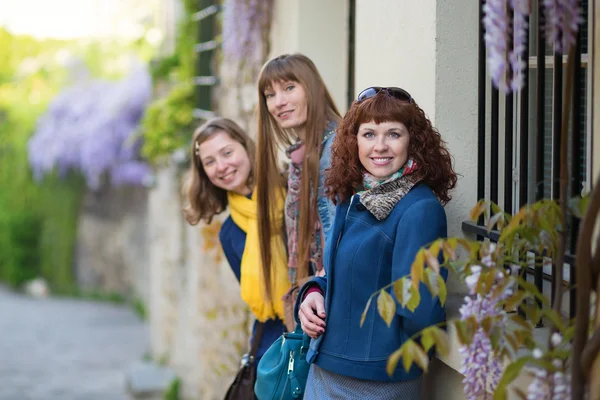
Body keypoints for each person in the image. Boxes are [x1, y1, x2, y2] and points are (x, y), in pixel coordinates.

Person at [297, 87, 458, 399]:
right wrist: (314, 292)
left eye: (393, 134)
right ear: (354, 140)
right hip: (324, 368)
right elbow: (339, 274)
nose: (380, 146)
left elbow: (420, 312)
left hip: (376, 381)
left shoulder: (420, 209)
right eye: (369, 134)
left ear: (413, 140)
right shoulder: (353, 197)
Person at [182, 117, 289, 360]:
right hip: (275, 349)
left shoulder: (292, 189)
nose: (221, 166)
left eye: (227, 152)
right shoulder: (229, 235)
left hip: (322, 333)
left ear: (246, 147)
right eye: (209, 162)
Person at [255, 53, 342, 331]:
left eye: (289, 88)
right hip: (317, 302)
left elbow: (340, 237)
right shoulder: (300, 156)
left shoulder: (336, 149)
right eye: (270, 94)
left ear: (313, 88)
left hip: (333, 303)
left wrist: (320, 286)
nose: (278, 102)